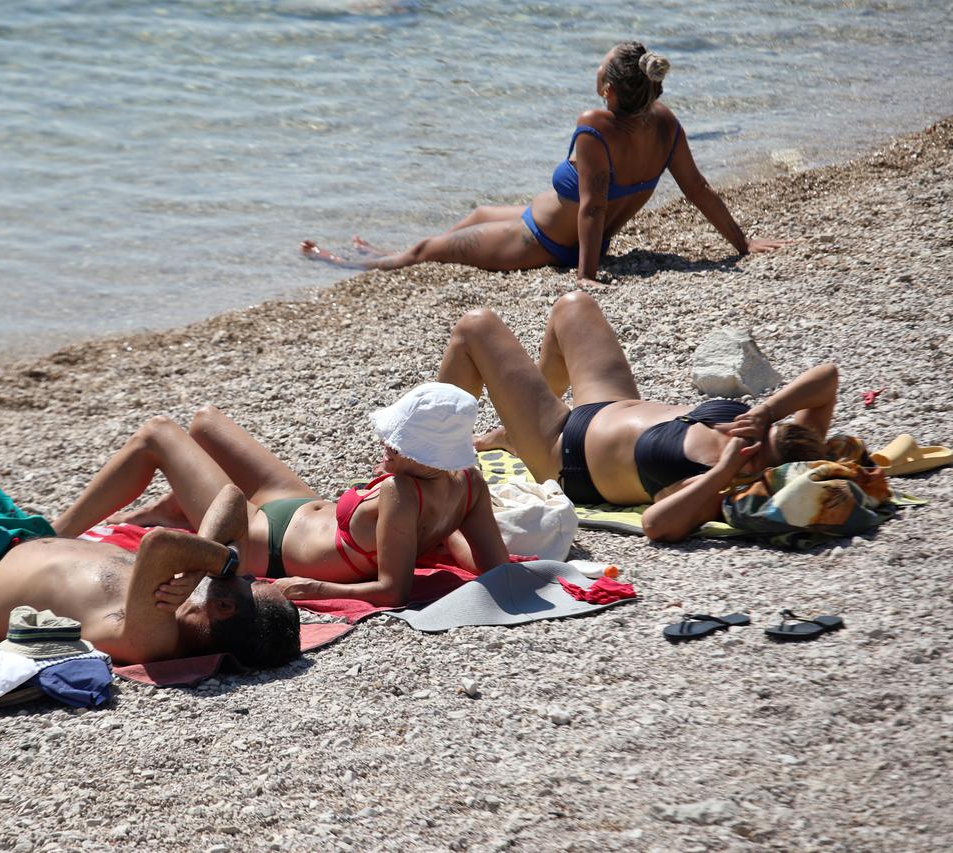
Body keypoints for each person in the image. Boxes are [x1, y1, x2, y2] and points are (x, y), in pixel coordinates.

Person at [0, 314, 300, 668]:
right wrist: (219, 562)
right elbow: (231, 501)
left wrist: (219, 561)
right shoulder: (199, 594)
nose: (255, 574)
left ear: (225, 605)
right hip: (16, 542)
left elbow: (158, 544)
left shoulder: (153, 637)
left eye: (254, 584)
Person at [301, 41, 786, 278]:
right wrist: (741, 243)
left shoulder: (596, 123)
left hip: (542, 241)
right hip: (543, 221)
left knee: (428, 248)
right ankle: (383, 252)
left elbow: (593, 207)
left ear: (608, 89)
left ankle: (352, 263)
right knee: (475, 214)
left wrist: (586, 276)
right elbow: (697, 189)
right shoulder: (665, 124)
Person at [51, 383, 510, 607]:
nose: (385, 444)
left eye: (399, 443)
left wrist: (315, 588)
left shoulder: (399, 493)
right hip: (300, 507)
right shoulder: (467, 484)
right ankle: (172, 510)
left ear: (428, 457)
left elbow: (393, 591)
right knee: (205, 423)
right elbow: (492, 566)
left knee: (157, 434)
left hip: (261, 541)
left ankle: (50, 535)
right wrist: (435, 533)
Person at [437, 292, 838, 542]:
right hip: (610, 402)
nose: (747, 445)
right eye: (755, 438)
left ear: (771, 480)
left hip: (563, 451)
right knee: (573, 306)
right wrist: (765, 413)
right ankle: (516, 426)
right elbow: (827, 379)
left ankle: (428, 467)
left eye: (754, 456)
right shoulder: (770, 433)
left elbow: (656, 524)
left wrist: (724, 471)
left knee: (474, 328)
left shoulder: (724, 488)